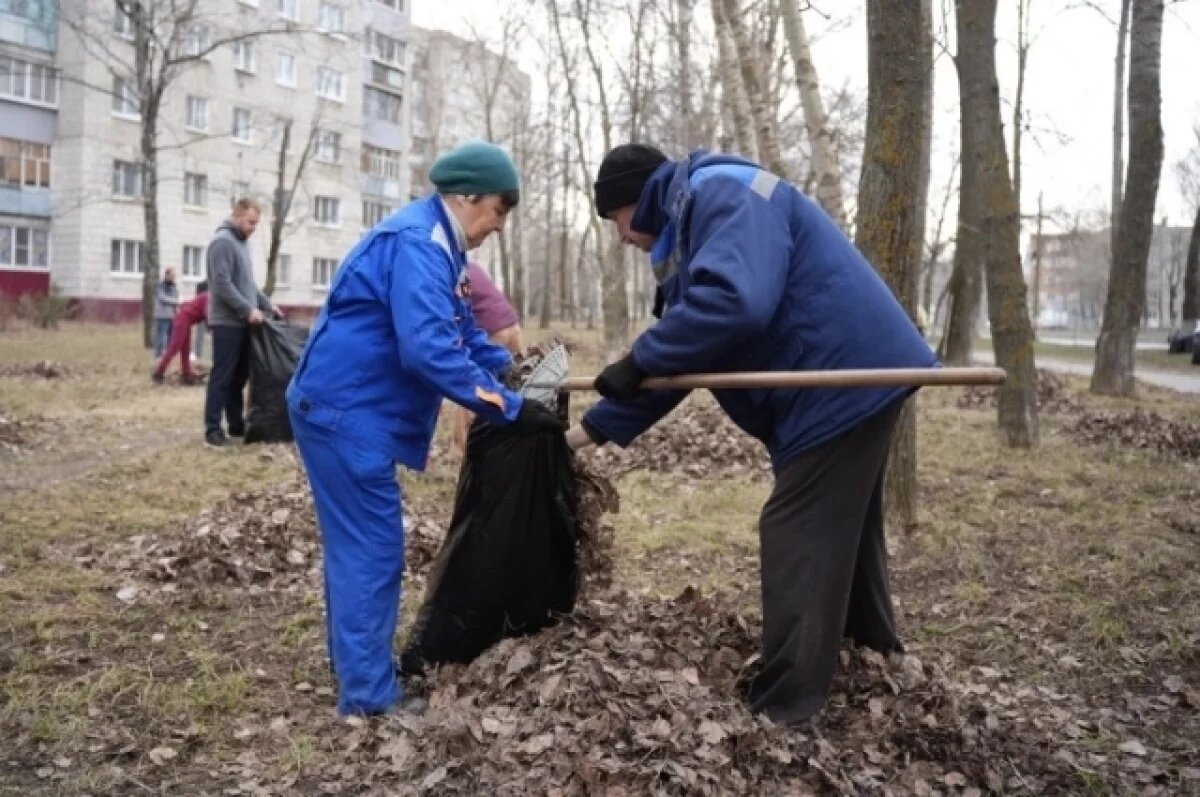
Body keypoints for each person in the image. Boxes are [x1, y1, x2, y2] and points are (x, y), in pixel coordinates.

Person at [565, 144, 939, 726]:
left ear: (635, 203)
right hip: (840, 379)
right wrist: (587, 432)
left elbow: (736, 306)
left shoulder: (724, 194)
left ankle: (785, 709)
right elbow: (689, 360)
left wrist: (642, 354)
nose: (620, 237)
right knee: (844, 527)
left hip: (841, 378)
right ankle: (873, 654)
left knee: (798, 528)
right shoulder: (695, 224)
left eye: (613, 219)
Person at [286, 140, 565, 716]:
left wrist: (510, 369)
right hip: (345, 413)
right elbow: (429, 352)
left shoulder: (441, 245)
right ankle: (367, 696)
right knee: (372, 549)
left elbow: (459, 332)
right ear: (466, 197)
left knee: (356, 547)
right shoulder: (418, 244)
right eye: (498, 210)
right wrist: (510, 410)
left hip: (343, 406)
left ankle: (356, 669)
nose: (499, 225)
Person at [204, 198, 281, 447]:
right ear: (237, 216)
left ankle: (236, 425)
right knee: (223, 376)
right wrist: (247, 309)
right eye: (250, 222)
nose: (254, 228)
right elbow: (221, 284)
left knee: (239, 377)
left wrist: (267, 305)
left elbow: (248, 286)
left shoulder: (241, 244)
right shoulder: (223, 243)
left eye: (256, 223)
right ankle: (213, 430)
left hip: (244, 322)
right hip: (227, 322)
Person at [449, 261, 524, 456]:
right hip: (513, 325)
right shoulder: (469, 269)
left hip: (493, 329)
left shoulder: (451, 269)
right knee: (517, 379)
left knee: (470, 384)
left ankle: (459, 446)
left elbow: (456, 313)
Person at [152, 286, 208, 385]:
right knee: (175, 347)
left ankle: (187, 375)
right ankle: (158, 372)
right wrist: (212, 327)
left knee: (186, 350)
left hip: (187, 320)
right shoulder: (209, 297)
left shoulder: (208, 296)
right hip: (183, 320)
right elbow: (207, 313)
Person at [153, 268, 180, 357]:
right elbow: (162, 298)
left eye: (174, 276)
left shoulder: (174, 286)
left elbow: (176, 298)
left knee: (171, 338)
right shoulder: (160, 285)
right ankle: (158, 356)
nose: (173, 278)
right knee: (161, 337)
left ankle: (168, 357)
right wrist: (175, 301)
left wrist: (177, 310)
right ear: (166, 275)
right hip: (162, 316)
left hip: (172, 316)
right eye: (171, 276)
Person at [191, 279, 209, 366]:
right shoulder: (201, 285)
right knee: (200, 335)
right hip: (202, 314)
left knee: (201, 335)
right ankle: (198, 355)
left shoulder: (216, 284)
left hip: (210, 314)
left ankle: (199, 354)